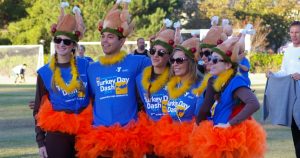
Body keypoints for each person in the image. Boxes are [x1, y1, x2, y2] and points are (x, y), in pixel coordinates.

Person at [75, 1, 151, 157]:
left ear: (122, 41)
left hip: (128, 137)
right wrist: (47, 100)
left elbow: (162, 66)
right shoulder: (92, 68)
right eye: (102, 36)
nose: (104, 41)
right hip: (100, 137)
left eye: (110, 37)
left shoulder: (137, 62)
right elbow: (82, 98)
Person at [190, 25, 266, 158]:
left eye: (215, 60)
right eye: (210, 58)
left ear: (228, 65)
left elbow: (254, 104)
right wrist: (197, 125)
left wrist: (229, 124)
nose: (210, 62)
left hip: (231, 138)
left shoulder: (236, 81)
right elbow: (205, 108)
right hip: (215, 133)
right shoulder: (214, 80)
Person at [33, 3, 92, 158]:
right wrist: (40, 142)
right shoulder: (45, 72)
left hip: (84, 129)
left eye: (66, 42)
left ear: (73, 45)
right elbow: (38, 108)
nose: (61, 44)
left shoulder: (87, 66)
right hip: (57, 130)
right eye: (58, 40)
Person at [149, 34, 202, 157]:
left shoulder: (201, 86)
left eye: (179, 60)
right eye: (173, 60)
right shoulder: (171, 85)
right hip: (171, 145)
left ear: (190, 62)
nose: (175, 64)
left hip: (191, 147)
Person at [266, 21, 300, 157]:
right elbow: (284, 71)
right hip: (292, 95)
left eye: (297, 32)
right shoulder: (289, 51)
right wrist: (272, 75)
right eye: (292, 32)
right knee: (296, 132)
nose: (294, 35)